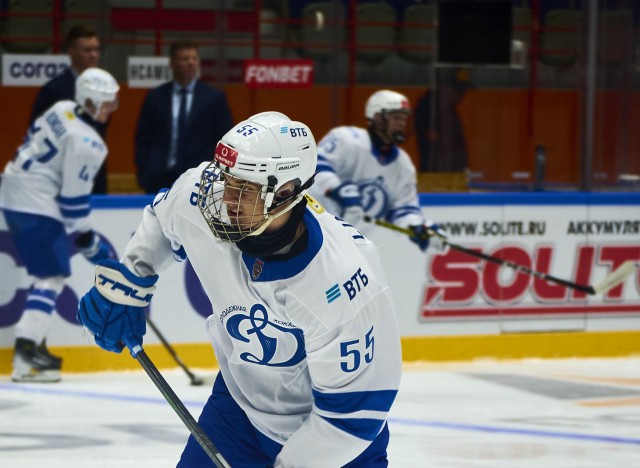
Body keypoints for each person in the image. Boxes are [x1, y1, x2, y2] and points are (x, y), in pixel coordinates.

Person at [77, 111, 402, 466]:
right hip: (239, 413)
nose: (227, 199)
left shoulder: (343, 281)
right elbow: (164, 218)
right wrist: (131, 281)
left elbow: (352, 419)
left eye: (245, 189)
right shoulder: (203, 197)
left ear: (288, 192)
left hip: (337, 446)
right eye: (226, 180)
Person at [0, 68, 120, 383]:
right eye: (106, 102)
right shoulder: (89, 143)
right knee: (51, 276)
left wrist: (84, 237)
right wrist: (88, 239)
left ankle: (32, 346)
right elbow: (73, 202)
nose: (111, 109)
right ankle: (26, 356)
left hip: (13, 188)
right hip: (34, 200)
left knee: (47, 274)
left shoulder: (61, 109)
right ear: (90, 100)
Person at [308, 89, 447, 252]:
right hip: (311, 228)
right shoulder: (346, 139)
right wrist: (338, 189)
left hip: (351, 245)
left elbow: (403, 210)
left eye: (404, 119)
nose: (402, 124)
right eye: (396, 118)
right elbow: (314, 167)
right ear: (377, 118)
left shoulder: (403, 165)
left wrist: (418, 228)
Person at [134, 39, 234, 194]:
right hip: (159, 176)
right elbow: (143, 137)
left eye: (194, 59)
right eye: (185, 59)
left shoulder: (214, 98)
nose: (191, 63)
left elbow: (225, 141)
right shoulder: (155, 97)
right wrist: (144, 170)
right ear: (172, 63)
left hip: (198, 177)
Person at [29, 23, 110, 194]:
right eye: (87, 50)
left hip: (93, 175)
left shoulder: (105, 88)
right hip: (58, 180)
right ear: (71, 51)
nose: (93, 55)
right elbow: (36, 135)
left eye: (96, 49)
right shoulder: (53, 90)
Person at [414, 68, 471, 172]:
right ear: (445, 88)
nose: (461, 96)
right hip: (436, 177)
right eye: (458, 91)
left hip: (452, 176)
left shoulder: (450, 110)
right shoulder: (429, 108)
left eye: (463, 92)